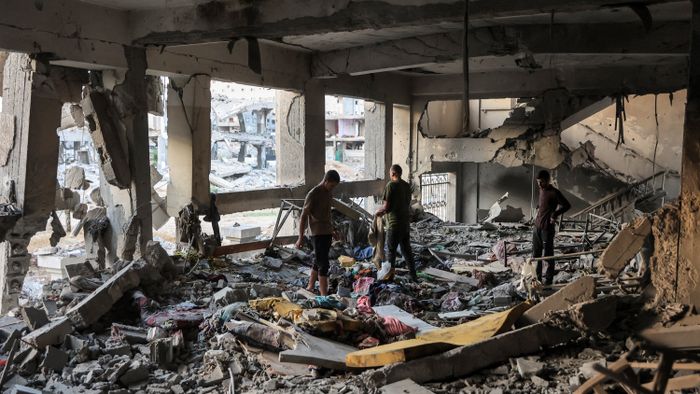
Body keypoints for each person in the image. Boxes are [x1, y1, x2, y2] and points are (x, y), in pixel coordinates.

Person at [296, 170, 340, 295]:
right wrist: (300, 237)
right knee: (324, 264)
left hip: (326, 232)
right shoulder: (313, 194)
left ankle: (310, 286)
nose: (332, 188)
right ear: (325, 181)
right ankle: (324, 295)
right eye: (331, 185)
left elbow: (328, 215)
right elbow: (303, 216)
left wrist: (333, 230)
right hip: (317, 233)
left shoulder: (328, 193)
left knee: (319, 260)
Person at [376, 164, 417, 281]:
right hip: (405, 224)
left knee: (391, 251)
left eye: (390, 173)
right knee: (406, 250)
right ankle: (413, 275)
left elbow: (386, 207)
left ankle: (390, 277)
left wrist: (379, 212)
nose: (390, 176)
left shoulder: (391, 185)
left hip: (394, 224)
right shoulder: (406, 186)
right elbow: (407, 203)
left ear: (393, 174)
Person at [533, 170, 571, 285]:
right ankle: (537, 280)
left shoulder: (554, 192)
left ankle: (548, 282)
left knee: (548, 256)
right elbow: (544, 203)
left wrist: (554, 214)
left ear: (547, 180)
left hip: (547, 229)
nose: (539, 184)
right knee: (536, 255)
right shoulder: (541, 190)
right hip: (537, 228)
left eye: (542, 182)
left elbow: (567, 205)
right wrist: (539, 207)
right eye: (538, 182)